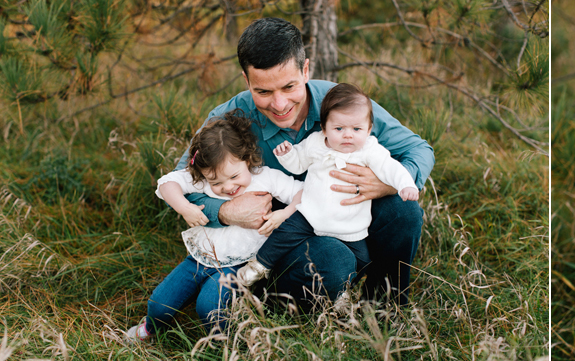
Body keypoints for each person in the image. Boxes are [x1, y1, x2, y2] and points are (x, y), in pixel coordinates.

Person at [174, 17, 434, 307]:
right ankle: (265, 297)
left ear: (306, 70)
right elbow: (181, 181)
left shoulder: (341, 104)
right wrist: (224, 211)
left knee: (404, 211)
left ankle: (384, 306)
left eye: (289, 87)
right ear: (246, 81)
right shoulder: (229, 117)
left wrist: (385, 184)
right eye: (263, 92)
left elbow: (418, 150)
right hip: (276, 234)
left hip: (345, 214)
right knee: (333, 261)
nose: (280, 104)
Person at [126, 111, 304, 342]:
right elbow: (167, 183)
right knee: (159, 303)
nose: (228, 187)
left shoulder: (265, 177)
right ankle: (150, 329)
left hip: (236, 264)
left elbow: (302, 192)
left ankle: (225, 345)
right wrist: (184, 207)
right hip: (198, 258)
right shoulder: (201, 179)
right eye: (216, 182)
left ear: (247, 160)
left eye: (234, 176)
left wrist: (284, 213)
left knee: (209, 307)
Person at [236, 83, 420, 299]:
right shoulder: (315, 143)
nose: (347, 136)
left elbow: (392, 168)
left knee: (362, 260)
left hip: (350, 225)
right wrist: (287, 155)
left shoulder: (370, 150)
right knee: (283, 235)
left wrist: (405, 185)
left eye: (356, 129)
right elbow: (298, 164)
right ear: (324, 128)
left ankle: (349, 293)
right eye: (339, 129)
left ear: (369, 129)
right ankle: (259, 267)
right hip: (310, 214)